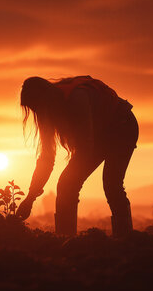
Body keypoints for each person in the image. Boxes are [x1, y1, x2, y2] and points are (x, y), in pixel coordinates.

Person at [16, 75, 139, 236]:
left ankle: (126, 239)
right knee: (67, 184)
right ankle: (66, 239)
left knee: (111, 185)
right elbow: (47, 158)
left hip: (122, 126)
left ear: (45, 99)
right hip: (99, 133)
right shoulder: (48, 112)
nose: (36, 113)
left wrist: (70, 179)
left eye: (36, 107)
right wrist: (30, 198)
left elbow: (85, 149)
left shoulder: (77, 99)